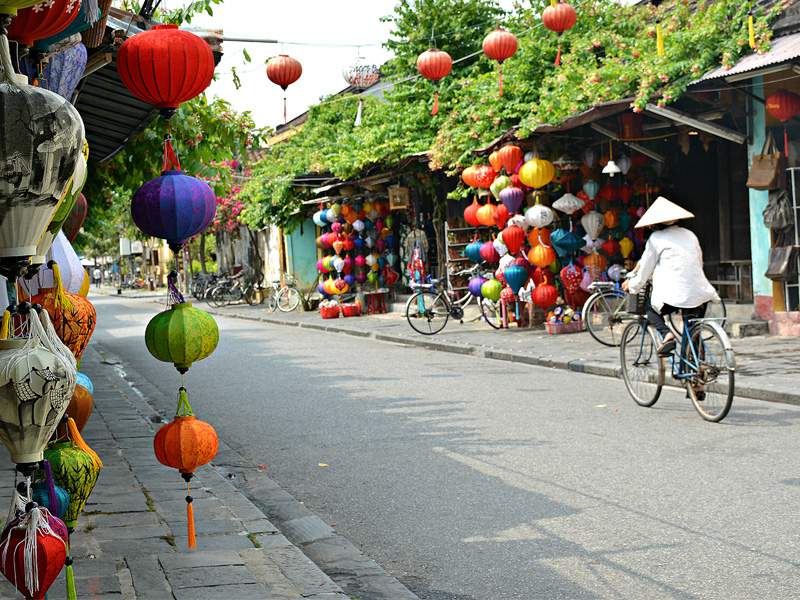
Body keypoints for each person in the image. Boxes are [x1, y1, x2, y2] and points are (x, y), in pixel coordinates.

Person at [621, 197, 720, 357]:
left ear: (655, 224)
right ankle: (698, 375)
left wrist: (631, 286)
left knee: (650, 309)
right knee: (692, 331)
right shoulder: (690, 235)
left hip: (673, 295)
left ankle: (667, 335)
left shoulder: (656, 239)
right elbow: (698, 263)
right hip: (699, 292)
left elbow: (644, 272)